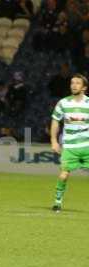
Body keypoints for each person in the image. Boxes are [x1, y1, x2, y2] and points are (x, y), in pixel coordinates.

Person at [50, 74, 89, 212]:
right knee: (63, 175)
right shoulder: (63, 103)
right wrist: (54, 141)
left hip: (87, 146)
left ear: (84, 87)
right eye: (72, 82)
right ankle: (57, 202)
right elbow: (55, 121)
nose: (74, 85)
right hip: (70, 147)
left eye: (78, 83)